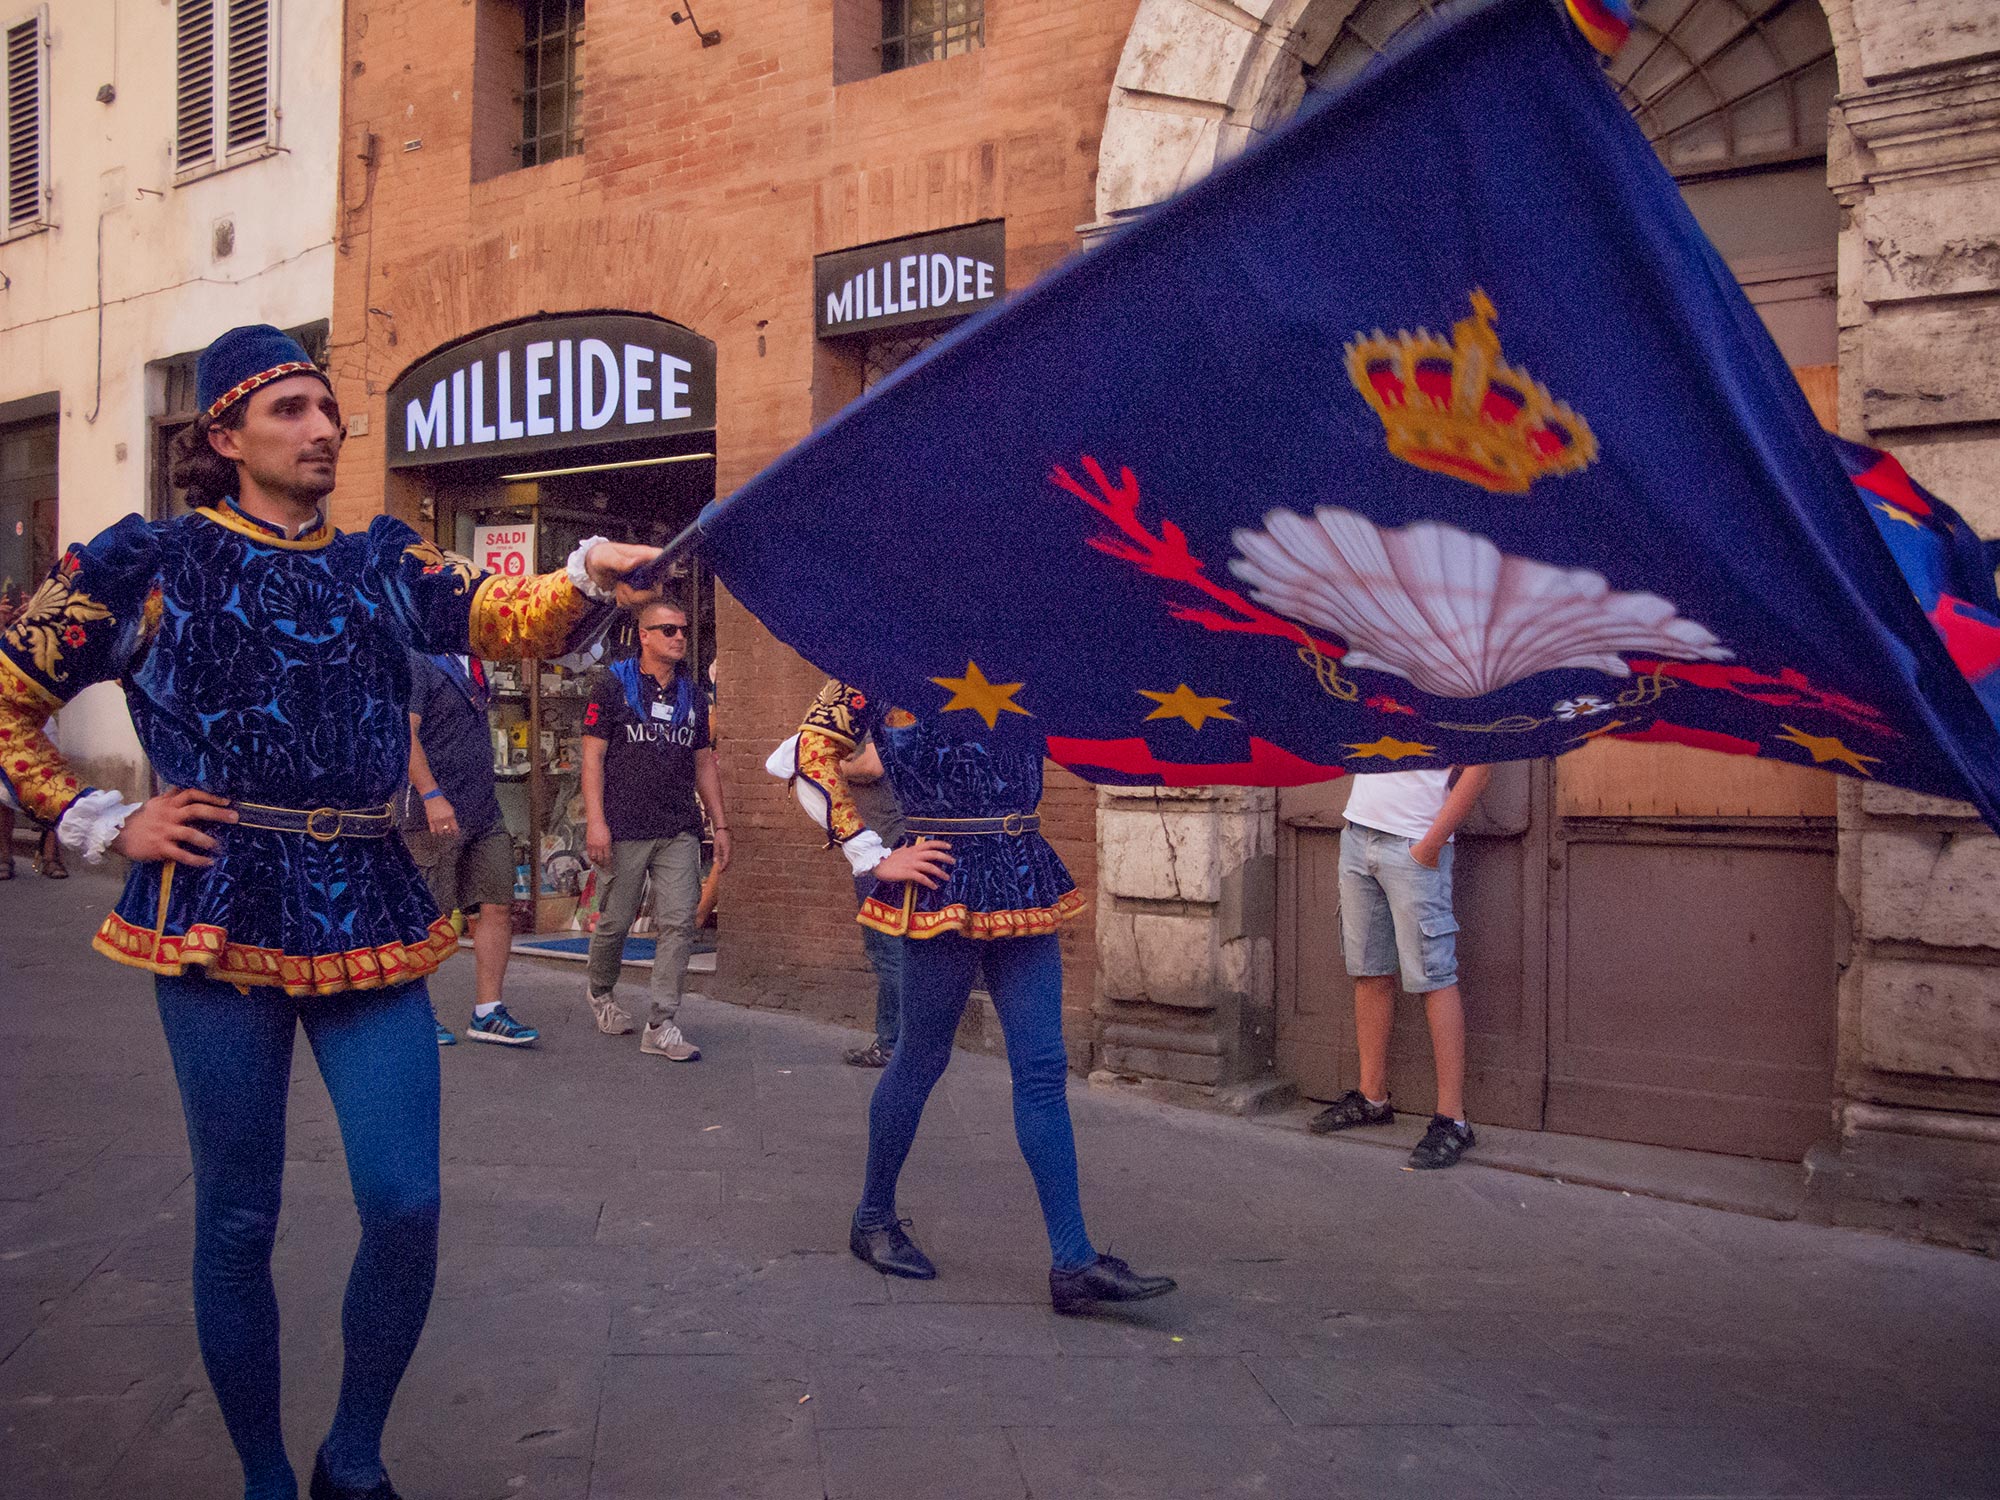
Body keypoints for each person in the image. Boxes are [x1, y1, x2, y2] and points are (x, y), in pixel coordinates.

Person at [0, 323, 664, 1500]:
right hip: (213, 905)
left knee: (406, 1203)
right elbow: (7, 697)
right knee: (239, 1218)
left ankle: (352, 1452)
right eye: (291, 409)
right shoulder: (148, 564)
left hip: (366, 898)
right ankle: (263, 1471)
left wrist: (587, 569)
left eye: (327, 407)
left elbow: (509, 615)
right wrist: (98, 820)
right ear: (225, 435)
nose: (323, 429)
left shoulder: (380, 564)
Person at [788, 679, 1176, 1315]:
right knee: (920, 1059)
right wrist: (870, 854)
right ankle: (873, 1217)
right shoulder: (871, 657)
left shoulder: (1016, 645)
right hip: (942, 878)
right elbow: (807, 752)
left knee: (1044, 1070)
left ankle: (1073, 1262)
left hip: (1023, 874)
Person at [1309, 764, 1493, 1169]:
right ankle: (1372, 1098)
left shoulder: (1458, 696)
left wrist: (1430, 845)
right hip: (1358, 835)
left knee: (1434, 978)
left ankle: (1453, 1120)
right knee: (1369, 973)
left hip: (1415, 842)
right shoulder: (1385, 696)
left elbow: (1479, 770)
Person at [580, 597, 732, 1060]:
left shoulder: (692, 694)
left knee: (678, 923)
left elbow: (703, 761)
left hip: (677, 827)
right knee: (615, 922)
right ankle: (601, 992)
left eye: (683, 630)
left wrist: (719, 823)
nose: (680, 637)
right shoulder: (611, 685)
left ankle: (662, 1022)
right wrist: (596, 822)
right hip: (623, 826)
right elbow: (593, 757)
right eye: (668, 630)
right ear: (644, 635)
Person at [404, 649, 537, 1047]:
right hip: (435, 809)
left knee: (497, 903)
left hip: (482, 807)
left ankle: (488, 1011)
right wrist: (431, 795)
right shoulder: (419, 660)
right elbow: (404, 734)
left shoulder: (476, 662)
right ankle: (415, 1014)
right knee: (431, 912)